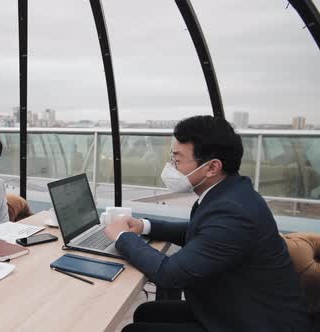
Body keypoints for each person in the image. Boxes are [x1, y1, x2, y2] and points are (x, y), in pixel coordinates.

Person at [105, 115, 309, 332]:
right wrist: (145, 226)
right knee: (146, 312)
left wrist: (122, 237)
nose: (172, 167)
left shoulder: (233, 213)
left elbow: (169, 274)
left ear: (212, 167)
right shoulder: (230, 193)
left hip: (254, 322)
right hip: (233, 306)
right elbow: (202, 233)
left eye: (178, 160)